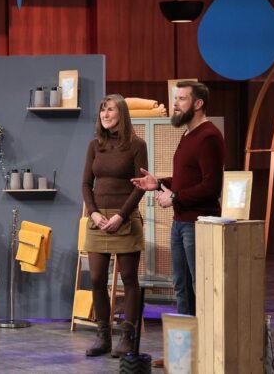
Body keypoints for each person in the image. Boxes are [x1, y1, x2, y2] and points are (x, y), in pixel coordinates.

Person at [131, 81, 225, 317]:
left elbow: (212, 186)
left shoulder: (209, 136)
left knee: (199, 287)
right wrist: (158, 183)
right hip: (180, 222)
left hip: (198, 225)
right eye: (175, 99)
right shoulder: (187, 134)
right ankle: (186, 338)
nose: (175, 104)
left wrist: (174, 197)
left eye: (182, 99)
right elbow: (188, 179)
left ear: (198, 103)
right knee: (182, 287)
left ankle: (204, 335)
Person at [81, 94, 148, 358]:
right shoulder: (94, 146)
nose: (105, 115)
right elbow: (86, 184)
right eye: (102, 110)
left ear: (121, 113)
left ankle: (128, 337)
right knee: (97, 278)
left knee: (129, 279)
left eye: (110, 110)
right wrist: (94, 213)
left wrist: (121, 215)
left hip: (125, 219)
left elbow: (140, 186)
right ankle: (103, 336)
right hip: (98, 220)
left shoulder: (137, 145)